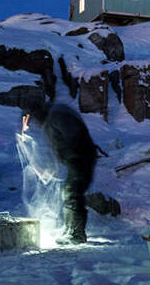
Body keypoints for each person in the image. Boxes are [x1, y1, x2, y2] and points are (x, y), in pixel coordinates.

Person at [22, 102, 98, 244]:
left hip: (81, 158)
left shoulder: (57, 117)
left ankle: (76, 234)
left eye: (33, 120)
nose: (36, 124)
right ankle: (70, 229)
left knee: (72, 193)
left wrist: (70, 155)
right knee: (68, 193)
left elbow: (73, 137)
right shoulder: (53, 118)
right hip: (77, 159)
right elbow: (58, 144)